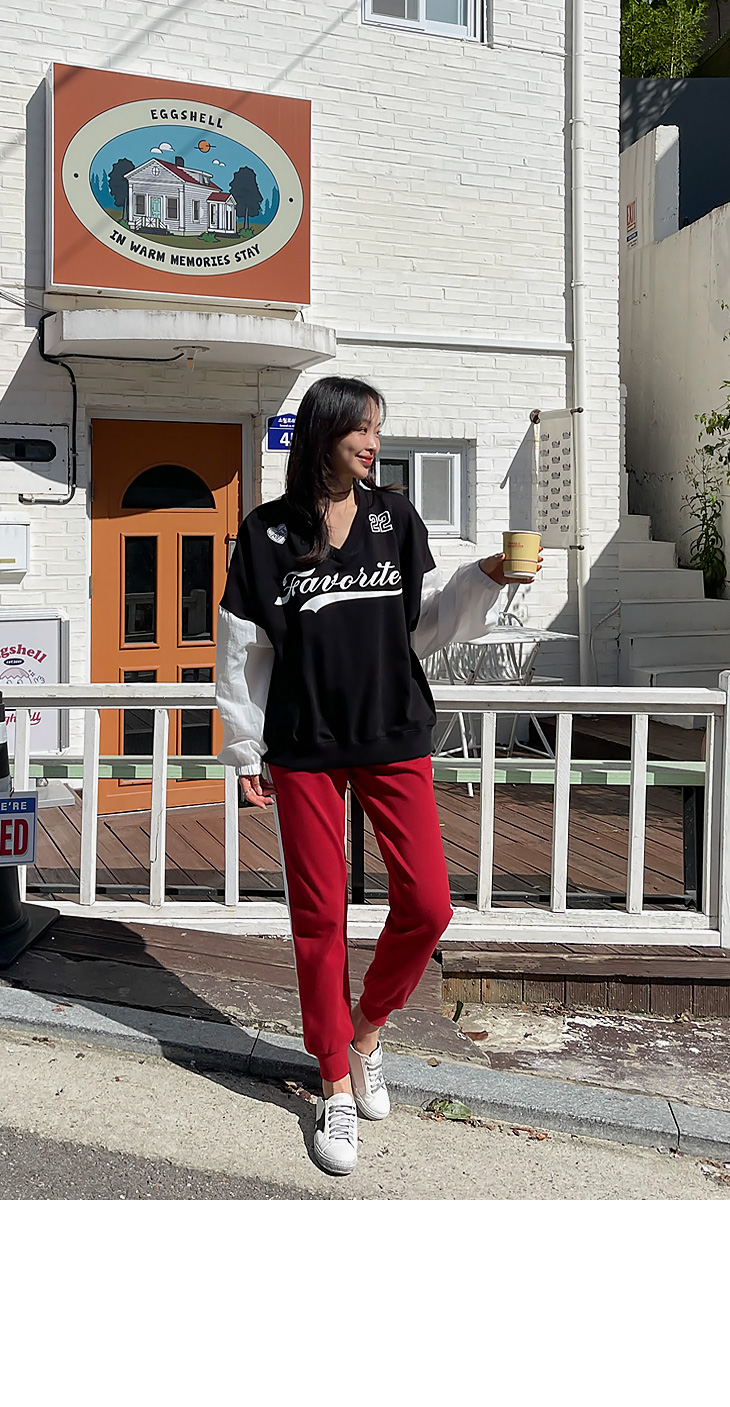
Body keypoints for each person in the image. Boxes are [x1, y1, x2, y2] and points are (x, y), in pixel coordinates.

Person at [216, 376, 541, 1176]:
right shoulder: (265, 532)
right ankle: (332, 1077)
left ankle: (366, 1033)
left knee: (428, 903)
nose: (374, 443)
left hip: (394, 729)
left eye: (378, 429)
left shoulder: (396, 518)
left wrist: (486, 575)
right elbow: (241, 649)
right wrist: (246, 747)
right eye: (362, 429)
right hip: (304, 742)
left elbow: (418, 629)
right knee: (319, 917)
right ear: (324, 433)